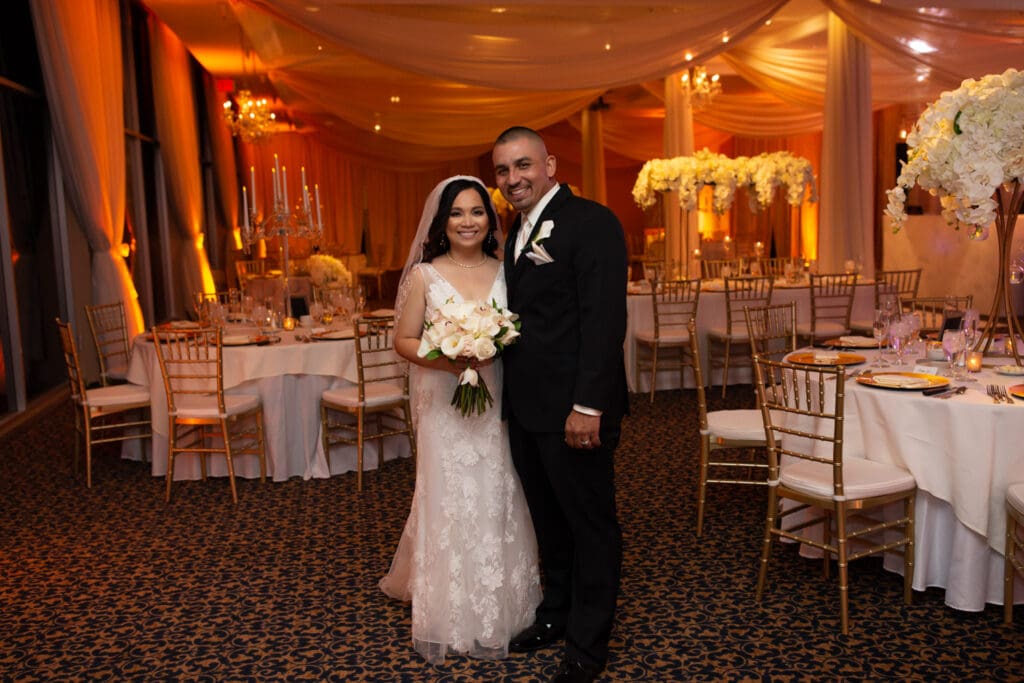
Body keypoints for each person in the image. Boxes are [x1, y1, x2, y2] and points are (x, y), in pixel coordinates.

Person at [379, 175, 542, 664]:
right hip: (443, 400)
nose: (467, 222)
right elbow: (404, 341)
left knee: (496, 486)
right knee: (448, 491)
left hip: (494, 400)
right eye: (457, 213)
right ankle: (450, 611)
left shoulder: (506, 270)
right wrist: (451, 358)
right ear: (441, 222)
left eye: (476, 212)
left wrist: (485, 346)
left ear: (490, 220)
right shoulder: (426, 276)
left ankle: (504, 604)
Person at [493, 127, 629, 683]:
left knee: (590, 524)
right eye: (502, 171)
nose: (512, 179)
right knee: (550, 523)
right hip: (527, 408)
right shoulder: (516, 231)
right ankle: (555, 616)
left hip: (575, 410)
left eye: (522, 165)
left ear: (549, 163)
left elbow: (604, 321)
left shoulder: (590, 222)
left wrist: (588, 406)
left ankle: (587, 646)